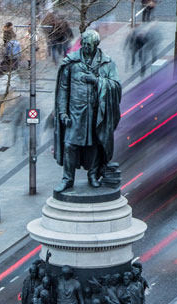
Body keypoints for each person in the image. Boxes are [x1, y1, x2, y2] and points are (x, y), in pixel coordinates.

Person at [54, 30, 122, 191]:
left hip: (96, 112)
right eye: (83, 43)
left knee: (94, 145)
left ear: (96, 44)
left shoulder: (107, 63)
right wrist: (63, 112)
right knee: (70, 145)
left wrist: (97, 81)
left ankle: (92, 175)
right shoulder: (71, 63)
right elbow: (63, 89)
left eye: (88, 44)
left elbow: (116, 85)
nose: (84, 46)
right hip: (75, 112)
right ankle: (67, 178)